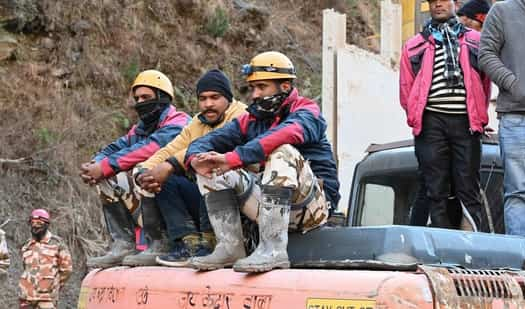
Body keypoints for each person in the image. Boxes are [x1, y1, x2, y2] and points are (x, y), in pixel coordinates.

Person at [183, 51, 340, 273]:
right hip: (268, 208)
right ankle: (230, 246)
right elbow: (206, 141)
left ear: (285, 87)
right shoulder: (251, 119)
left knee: (282, 151)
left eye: (262, 87)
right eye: (252, 88)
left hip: (313, 209)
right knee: (210, 164)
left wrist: (233, 158)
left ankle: (274, 250)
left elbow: (286, 134)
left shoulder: (307, 112)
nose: (255, 95)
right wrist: (195, 159)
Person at [135, 69, 248, 267]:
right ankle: (188, 243)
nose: (208, 104)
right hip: (206, 198)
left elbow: (215, 144)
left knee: (208, 163)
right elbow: (171, 149)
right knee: (163, 180)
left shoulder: (241, 115)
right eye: (202, 99)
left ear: (228, 98)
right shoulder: (197, 122)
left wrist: (170, 165)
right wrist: (144, 170)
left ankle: (214, 240)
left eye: (215, 97)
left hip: (241, 199)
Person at [81, 70, 191, 268]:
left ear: (162, 98)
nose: (140, 102)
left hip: (186, 197)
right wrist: (95, 164)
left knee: (143, 169)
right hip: (159, 198)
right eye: (137, 98)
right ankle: (123, 244)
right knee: (109, 177)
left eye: (146, 97)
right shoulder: (140, 128)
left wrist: (104, 166)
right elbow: (117, 147)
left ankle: (160, 241)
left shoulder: (179, 122)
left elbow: (149, 148)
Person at [400, 0, 491, 229]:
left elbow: (484, 82)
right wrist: (415, 114)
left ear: (455, 4)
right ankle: (441, 247)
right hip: (431, 122)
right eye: (432, 1)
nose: (437, 5)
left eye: (442, 0)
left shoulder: (475, 41)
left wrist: (479, 116)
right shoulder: (415, 44)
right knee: (435, 188)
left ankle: (472, 247)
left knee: (468, 187)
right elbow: (406, 87)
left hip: (465, 122)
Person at [479, 0, 525, 254]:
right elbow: (485, 53)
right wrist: (513, 83)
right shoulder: (502, 12)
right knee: (517, 192)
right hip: (517, 117)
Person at [19, 209, 72, 309]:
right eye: (33, 223)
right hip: (27, 298)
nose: (35, 226)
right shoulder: (26, 245)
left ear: (46, 225)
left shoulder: (57, 243)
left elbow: (66, 270)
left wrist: (53, 286)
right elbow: (26, 269)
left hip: (47, 299)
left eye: (39, 223)